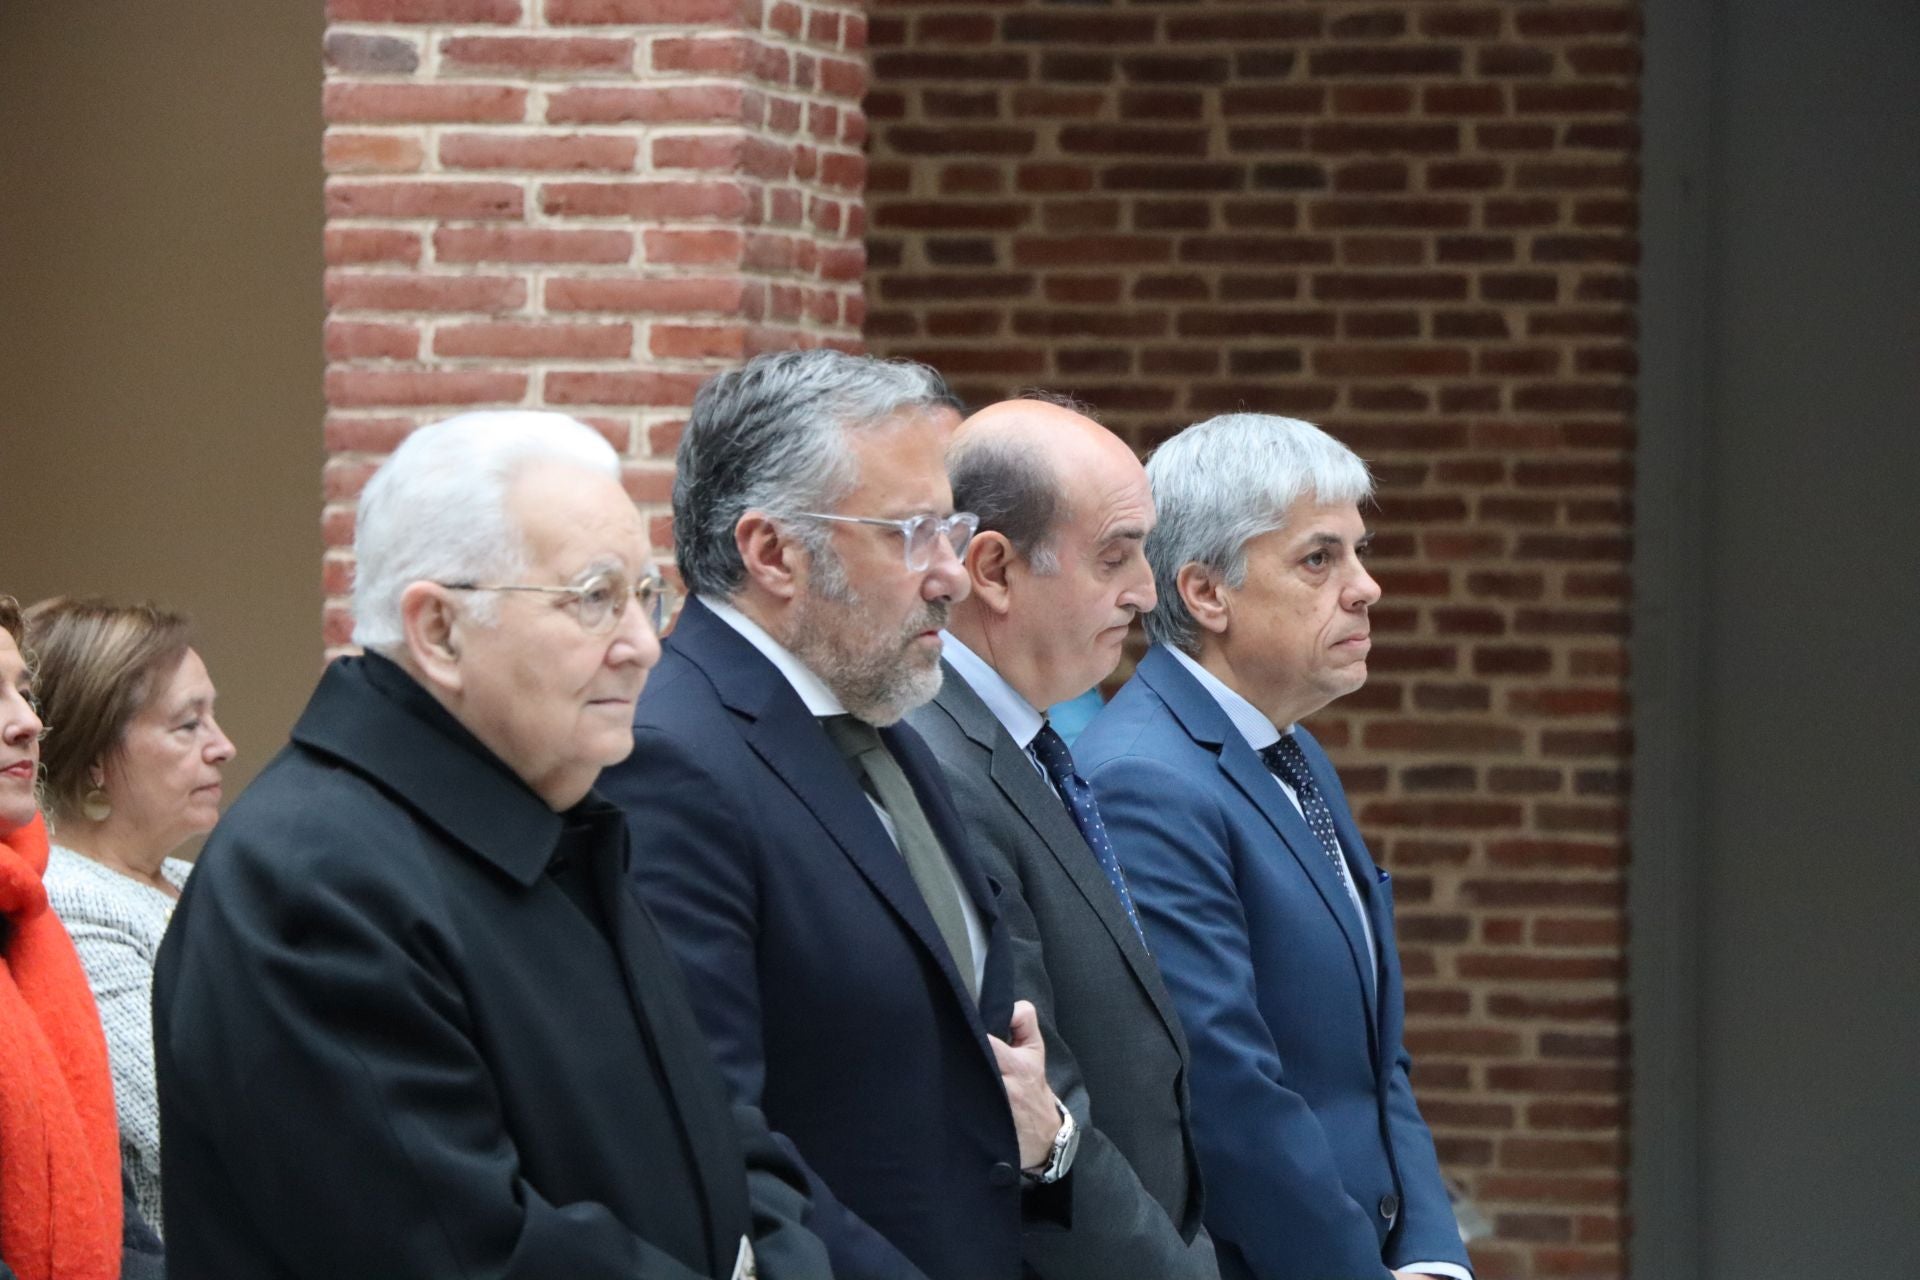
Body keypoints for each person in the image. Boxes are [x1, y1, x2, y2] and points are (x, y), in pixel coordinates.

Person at [152, 411, 829, 1279]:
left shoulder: (557, 821)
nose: (640, 646)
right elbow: (465, 1253)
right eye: (593, 598)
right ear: (438, 631)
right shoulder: (313, 884)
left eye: (643, 596)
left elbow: (714, 1124)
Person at [600, 350, 1075, 1280]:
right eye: (911, 533)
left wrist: (1050, 1150)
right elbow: (715, 1135)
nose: (952, 574)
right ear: (772, 552)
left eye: (955, 528)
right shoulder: (671, 757)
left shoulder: (876, 710)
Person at [1077, 414, 1473, 1280]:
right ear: (1206, 593)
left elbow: (1377, 1059)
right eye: (1319, 559)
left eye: (1360, 552)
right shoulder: (1145, 779)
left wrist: (1435, 1260)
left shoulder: (1291, 747)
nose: (1366, 587)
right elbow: (1227, 1095)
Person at [903, 397, 1218, 1279]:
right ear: (993, 569)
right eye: (1115, 557)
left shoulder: (1022, 740)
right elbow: (1037, 1099)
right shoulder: (940, 768)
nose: (1147, 592)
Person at [27, 596, 236, 1237]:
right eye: (186, 725)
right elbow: (194, 1126)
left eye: (213, 716)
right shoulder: (67, 908)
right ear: (95, 758)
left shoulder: (191, 879)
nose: (222, 747)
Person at [0, 595, 157, 1280]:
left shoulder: (30, 923)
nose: (28, 724)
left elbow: (120, 1231)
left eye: (23, 692)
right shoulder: (67, 903)